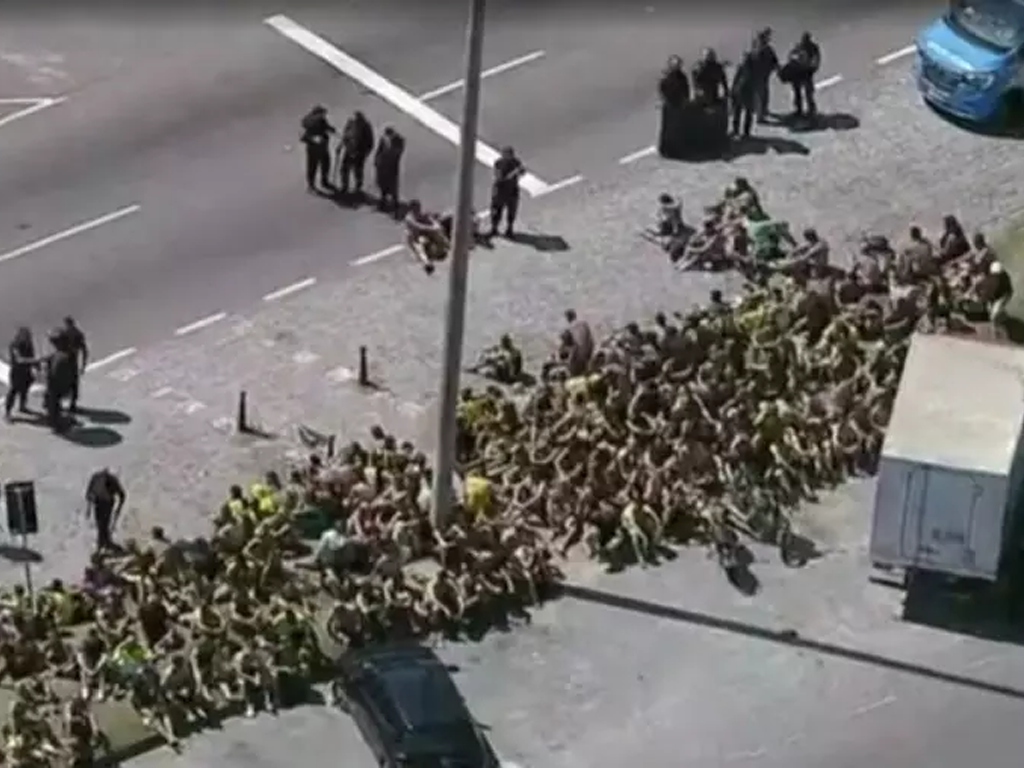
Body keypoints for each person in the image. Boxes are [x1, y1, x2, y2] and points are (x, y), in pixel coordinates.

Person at [85, 468, 126, 552]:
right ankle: (104, 543)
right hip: (106, 503)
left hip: (98, 503)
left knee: (101, 524)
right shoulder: (112, 479)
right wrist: (119, 507)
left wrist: (89, 507)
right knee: (104, 523)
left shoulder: (96, 477)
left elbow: (89, 493)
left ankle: (102, 543)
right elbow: (122, 494)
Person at [404, 199, 449, 273]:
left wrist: (435, 226)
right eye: (415, 207)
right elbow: (418, 227)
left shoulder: (423, 215)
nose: (418, 209)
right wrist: (432, 228)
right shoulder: (409, 218)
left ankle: (446, 246)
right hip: (415, 237)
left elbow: (432, 222)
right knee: (419, 248)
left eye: (418, 207)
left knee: (438, 235)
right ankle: (427, 263)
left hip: (426, 234)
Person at [338, 111, 374, 196]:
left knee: (358, 170)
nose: (355, 120)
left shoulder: (366, 126)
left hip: (359, 152)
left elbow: (370, 141)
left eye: (357, 119)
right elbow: (345, 135)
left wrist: (366, 152)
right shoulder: (350, 123)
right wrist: (340, 145)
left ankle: (358, 187)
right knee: (344, 169)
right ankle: (344, 186)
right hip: (349, 149)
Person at [490, 146, 524, 238]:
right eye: (507, 154)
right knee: (496, 211)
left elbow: (522, 172)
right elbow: (500, 177)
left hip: (512, 190)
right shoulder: (499, 163)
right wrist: (514, 172)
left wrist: (520, 170)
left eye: (510, 154)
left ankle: (509, 229)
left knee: (512, 211)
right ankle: (494, 229)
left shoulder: (516, 162)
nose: (509, 156)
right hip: (500, 190)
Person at [300, 104, 335, 192]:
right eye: (323, 113)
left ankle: (315, 183)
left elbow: (326, 126)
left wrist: (330, 129)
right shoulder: (314, 120)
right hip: (317, 147)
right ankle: (319, 183)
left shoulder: (314, 119)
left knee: (317, 165)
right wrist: (331, 130)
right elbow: (326, 127)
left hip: (316, 147)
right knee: (319, 165)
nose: (324, 115)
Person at [5, 326, 37, 420]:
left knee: (24, 390)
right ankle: (7, 413)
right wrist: (34, 361)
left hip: (26, 372)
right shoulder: (15, 345)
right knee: (13, 391)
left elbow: (32, 355)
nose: (28, 337)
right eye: (26, 335)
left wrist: (36, 366)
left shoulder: (29, 344)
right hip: (17, 372)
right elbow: (19, 359)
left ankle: (22, 406)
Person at [787, 32, 821, 119]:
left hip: (806, 72)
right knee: (800, 92)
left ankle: (809, 110)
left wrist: (812, 69)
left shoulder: (812, 48)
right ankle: (801, 110)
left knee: (807, 93)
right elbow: (791, 55)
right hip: (800, 72)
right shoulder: (801, 46)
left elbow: (816, 60)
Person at [751, 28, 780, 122]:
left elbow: (774, 60)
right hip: (759, 76)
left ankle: (763, 111)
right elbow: (773, 61)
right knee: (760, 95)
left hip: (763, 76)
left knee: (763, 94)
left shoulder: (761, 48)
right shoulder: (762, 49)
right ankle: (760, 116)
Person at [61, 316, 88, 412]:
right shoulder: (78, 334)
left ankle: (62, 403)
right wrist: (83, 365)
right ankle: (72, 404)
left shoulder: (64, 333)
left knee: (64, 383)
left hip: (66, 362)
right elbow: (84, 350)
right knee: (72, 384)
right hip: (70, 361)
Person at [730, 48, 758, 138]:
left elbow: (737, 79)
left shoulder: (749, 68)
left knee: (741, 112)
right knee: (742, 112)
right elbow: (736, 79)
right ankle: (741, 131)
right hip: (744, 92)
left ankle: (740, 131)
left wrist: (734, 89)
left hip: (745, 91)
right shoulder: (745, 67)